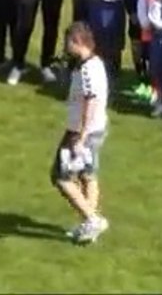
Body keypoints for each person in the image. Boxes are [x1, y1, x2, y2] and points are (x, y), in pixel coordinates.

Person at [51, 21, 110, 245]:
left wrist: (81, 136)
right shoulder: (96, 63)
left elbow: (91, 101)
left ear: (78, 42)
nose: (66, 47)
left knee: (60, 176)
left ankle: (92, 219)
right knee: (88, 175)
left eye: (68, 43)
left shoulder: (86, 69)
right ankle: (90, 226)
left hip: (81, 131)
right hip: (97, 128)